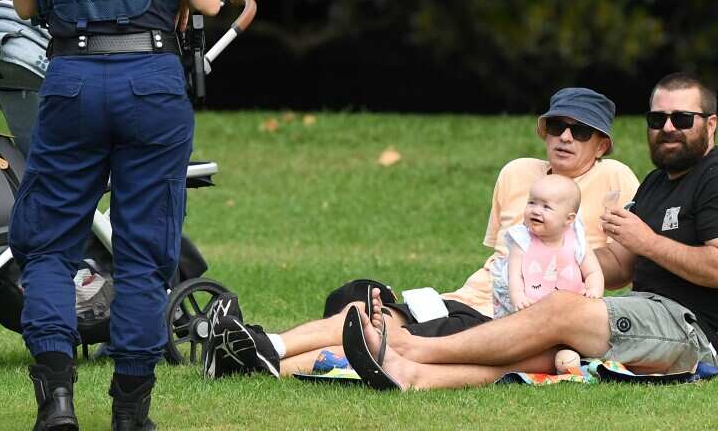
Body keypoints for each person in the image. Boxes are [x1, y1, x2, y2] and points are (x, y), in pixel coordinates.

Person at [1, 0, 221, 431]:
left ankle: (57, 404)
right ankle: (130, 411)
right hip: (150, 84)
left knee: (49, 246)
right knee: (146, 248)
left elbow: (23, 4)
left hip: (69, 80)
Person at [341, 72, 718, 390]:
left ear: (710, 124)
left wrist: (648, 242)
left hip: (699, 334)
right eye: (657, 118)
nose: (668, 128)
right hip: (647, 312)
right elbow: (620, 266)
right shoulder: (660, 181)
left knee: (561, 312)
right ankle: (414, 376)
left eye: (682, 118)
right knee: (539, 349)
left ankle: (410, 349)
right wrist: (549, 260)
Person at [203, 87, 639, 379]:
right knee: (369, 313)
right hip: (466, 298)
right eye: (557, 126)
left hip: (509, 321)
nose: (565, 136)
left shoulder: (614, 179)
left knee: (381, 337)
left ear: (601, 144)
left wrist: (572, 263)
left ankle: (259, 358)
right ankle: (264, 348)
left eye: (579, 131)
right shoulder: (517, 173)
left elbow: (623, 271)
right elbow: (497, 259)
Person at [494, 174, 604, 374]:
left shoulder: (576, 242)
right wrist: (518, 296)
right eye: (532, 202)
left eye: (546, 207)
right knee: (518, 337)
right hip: (529, 308)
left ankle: (567, 355)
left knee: (575, 338)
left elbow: (593, 271)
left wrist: (594, 291)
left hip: (570, 310)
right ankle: (523, 357)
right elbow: (515, 275)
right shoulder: (522, 241)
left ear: (568, 219)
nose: (536, 210)